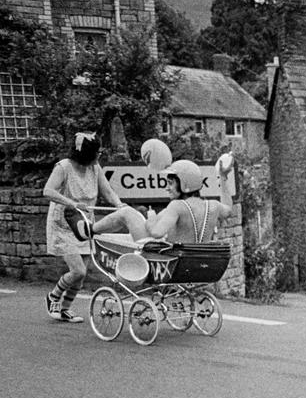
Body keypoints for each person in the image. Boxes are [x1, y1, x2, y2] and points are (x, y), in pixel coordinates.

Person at [42, 132, 131, 322]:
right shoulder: (63, 168)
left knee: (82, 275)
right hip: (64, 223)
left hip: (85, 225)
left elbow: (107, 190)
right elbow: (48, 191)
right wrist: (71, 203)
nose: (99, 155)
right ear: (86, 154)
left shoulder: (95, 168)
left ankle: (65, 309)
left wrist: (119, 205)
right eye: (96, 152)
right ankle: (53, 297)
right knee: (78, 270)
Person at [64, 159, 234, 245]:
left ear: (185, 184)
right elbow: (229, 210)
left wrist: (150, 216)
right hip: (193, 262)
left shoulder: (177, 206)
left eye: (170, 183)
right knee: (127, 227)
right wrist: (224, 177)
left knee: (127, 213)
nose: (166, 187)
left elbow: (157, 233)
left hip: (167, 259)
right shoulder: (214, 206)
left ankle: (88, 230)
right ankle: (97, 233)